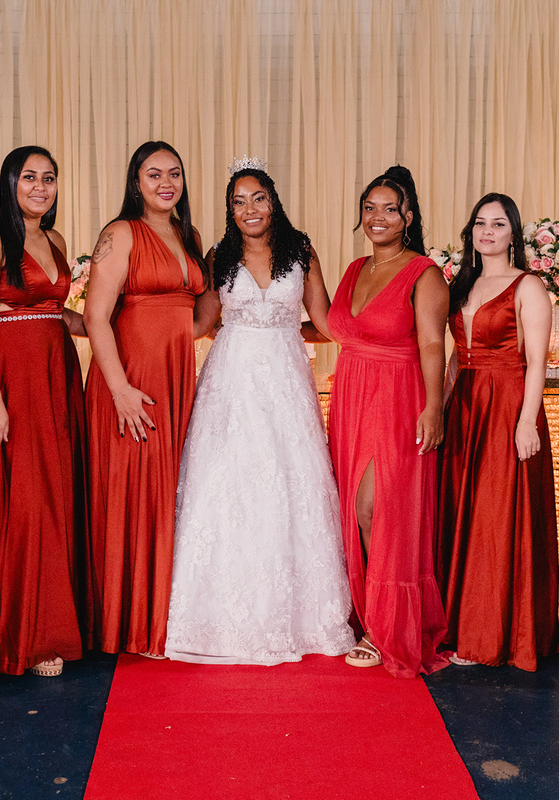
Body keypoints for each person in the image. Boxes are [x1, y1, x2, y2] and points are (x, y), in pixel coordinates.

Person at [164, 162, 354, 665]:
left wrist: (374, 339)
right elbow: (202, 321)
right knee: (227, 484)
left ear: (274, 201)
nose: (249, 209)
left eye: (258, 198)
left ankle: (301, 616)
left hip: (287, 379)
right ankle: (214, 613)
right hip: (231, 381)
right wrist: (143, 326)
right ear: (230, 210)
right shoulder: (219, 256)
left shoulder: (300, 250)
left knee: (293, 484)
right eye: (239, 202)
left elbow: (325, 320)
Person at [0, 146, 92, 678]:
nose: (40, 186)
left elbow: (57, 311)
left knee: (54, 494)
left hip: (54, 377)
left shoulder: (52, 240)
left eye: (48, 178)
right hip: (6, 378)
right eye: (29, 177)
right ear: (10, 182)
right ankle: (26, 633)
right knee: (22, 500)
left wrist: (111, 322)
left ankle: (56, 615)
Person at [326, 165, 451, 677]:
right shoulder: (354, 269)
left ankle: (384, 626)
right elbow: (337, 329)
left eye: (389, 209)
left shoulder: (423, 272)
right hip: (351, 395)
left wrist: (434, 405)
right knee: (349, 509)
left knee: (376, 509)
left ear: (408, 216)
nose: (378, 218)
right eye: (369, 208)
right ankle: (362, 612)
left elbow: (431, 343)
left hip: (398, 397)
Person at [83, 141, 207, 657]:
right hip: (129, 380)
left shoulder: (188, 234)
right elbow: (94, 316)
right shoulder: (120, 233)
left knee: (166, 495)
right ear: (136, 181)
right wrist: (120, 390)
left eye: (174, 173)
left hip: (174, 378)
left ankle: (159, 617)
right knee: (132, 495)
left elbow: (198, 315)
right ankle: (127, 624)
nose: (165, 182)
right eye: (153, 174)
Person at [437, 192, 559, 671]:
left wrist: (527, 420)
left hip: (507, 401)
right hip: (465, 405)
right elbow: (455, 353)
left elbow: (537, 360)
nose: (488, 231)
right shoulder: (461, 284)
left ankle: (490, 632)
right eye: (480, 224)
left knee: (495, 515)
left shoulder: (527, 286)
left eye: (499, 224)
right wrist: (442, 407)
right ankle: (459, 623)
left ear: (514, 234)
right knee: (462, 511)